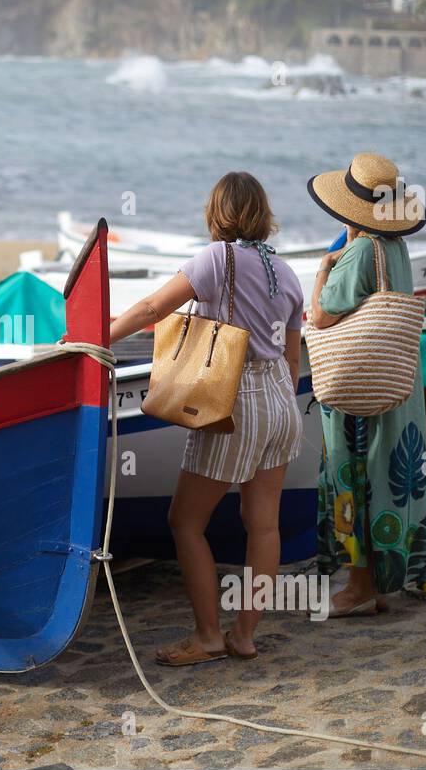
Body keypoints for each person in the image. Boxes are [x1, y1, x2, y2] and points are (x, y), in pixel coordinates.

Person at [107, 172, 304, 664]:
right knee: (263, 525)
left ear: (216, 213)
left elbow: (154, 306)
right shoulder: (288, 272)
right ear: (263, 214)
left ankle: (208, 636)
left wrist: (97, 335)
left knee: (186, 521)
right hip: (281, 398)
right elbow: (293, 358)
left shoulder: (218, 259)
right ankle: (244, 635)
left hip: (234, 400)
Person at [306, 153, 426, 616]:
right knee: (388, 474)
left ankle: (358, 586)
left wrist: (323, 267)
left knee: (356, 473)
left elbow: (322, 314)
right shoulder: (394, 248)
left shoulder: (359, 251)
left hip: (360, 389)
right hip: (397, 379)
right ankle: (381, 583)